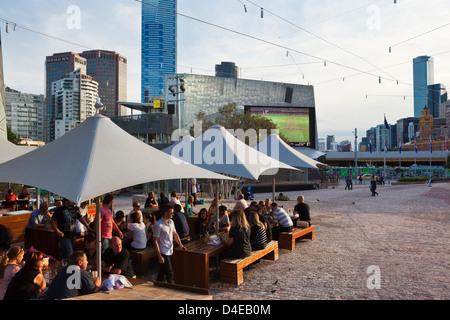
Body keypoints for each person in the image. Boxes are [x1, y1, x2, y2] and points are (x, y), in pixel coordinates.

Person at [152, 204, 187, 283]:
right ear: (165, 213)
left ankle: (158, 283)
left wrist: (181, 245)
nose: (173, 214)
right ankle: (171, 289)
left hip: (170, 250)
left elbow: (175, 234)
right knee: (170, 273)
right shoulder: (158, 225)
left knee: (162, 271)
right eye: (171, 213)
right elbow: (155, 241)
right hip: (163, 251)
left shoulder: (171, 222)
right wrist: (159, 255)